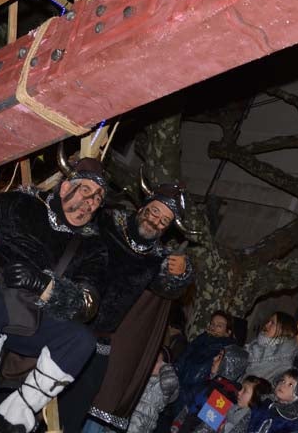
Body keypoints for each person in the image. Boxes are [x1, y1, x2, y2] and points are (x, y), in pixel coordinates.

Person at [0, 158, 108, 433]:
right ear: (65, 188)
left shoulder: (93, 246)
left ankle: (16, 414)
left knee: (82, 341)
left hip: (31, 318)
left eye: (97, 199)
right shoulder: (23, 204)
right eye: (86, 191)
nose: (90, 203)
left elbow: (88, 305)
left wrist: (44, 285)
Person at [69, 182, 196, 433]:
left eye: (165, 220)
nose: (156, 221)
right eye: (155, 211)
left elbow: (168, 288)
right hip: (67, 318)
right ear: (143, 207)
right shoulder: (107, 222)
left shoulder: (157, 257)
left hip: (101, 340)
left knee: (84, 407)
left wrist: (183, 273)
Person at [174, 309, 238, 418]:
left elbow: (219, 382)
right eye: (212, 324)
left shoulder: (227, 352)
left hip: (195, 401)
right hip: (177, 391)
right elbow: (181, 360)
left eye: (219, 326)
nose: (213, 327)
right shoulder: (200, 340)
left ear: (228, 332)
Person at [175, 344, 249, 433]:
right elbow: (191, 407)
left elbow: (206, 428)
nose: (214, 358)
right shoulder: (212, 383)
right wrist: (177, 424)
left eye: (220, 357)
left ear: (229, 364)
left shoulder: (225, 393)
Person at [127, 347, 180, 433]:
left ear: (164, 365)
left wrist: (166, 369)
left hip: (139, 428)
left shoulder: (163, 385)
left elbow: (172, 388)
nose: (150, 362)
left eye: (155, 361)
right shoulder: (141, 376)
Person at [246, 368, 298, 433]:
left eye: (290, 384)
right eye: (283, 380)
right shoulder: (266, 403)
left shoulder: (294, 421)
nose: (282, 385)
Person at [244, 311, 298, 381]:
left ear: (283, 330)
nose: (267, 325)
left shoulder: (283, 362)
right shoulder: (255, 344)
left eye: (272, 323)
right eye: (268, 321)